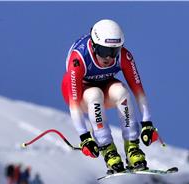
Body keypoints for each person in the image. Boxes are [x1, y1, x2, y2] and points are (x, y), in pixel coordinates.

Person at [61, 19, 158, 173]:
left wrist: (147, 123)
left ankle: (132, 148)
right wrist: (84, 137)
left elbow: (138, 90)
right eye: (104, 51)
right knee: (94, 94)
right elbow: (74, 104)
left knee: (122, 91)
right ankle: (108, 149)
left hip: (106, 85)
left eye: (114, 51)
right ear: (93, 46)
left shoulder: (124, 56)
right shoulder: (79, 58)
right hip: (80, 92)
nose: (109, 58)